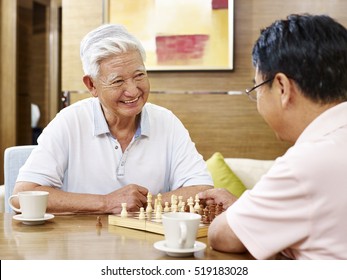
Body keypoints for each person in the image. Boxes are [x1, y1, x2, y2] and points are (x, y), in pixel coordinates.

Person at [13, 24, 213, 214]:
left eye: (139, 75)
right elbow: (21, 196)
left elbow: (202, 189)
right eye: (118, 81)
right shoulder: (69, 121)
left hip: (148, 245)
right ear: (91, 85)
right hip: (81, 244)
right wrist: (106, 202)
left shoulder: (166, 122)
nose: (133, 91)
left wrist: (141, 204)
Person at [199, 14, 347, 259]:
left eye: (256, 88)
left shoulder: (307, 163)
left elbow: (220, 235)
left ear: (282, 87)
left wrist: (242, 212)